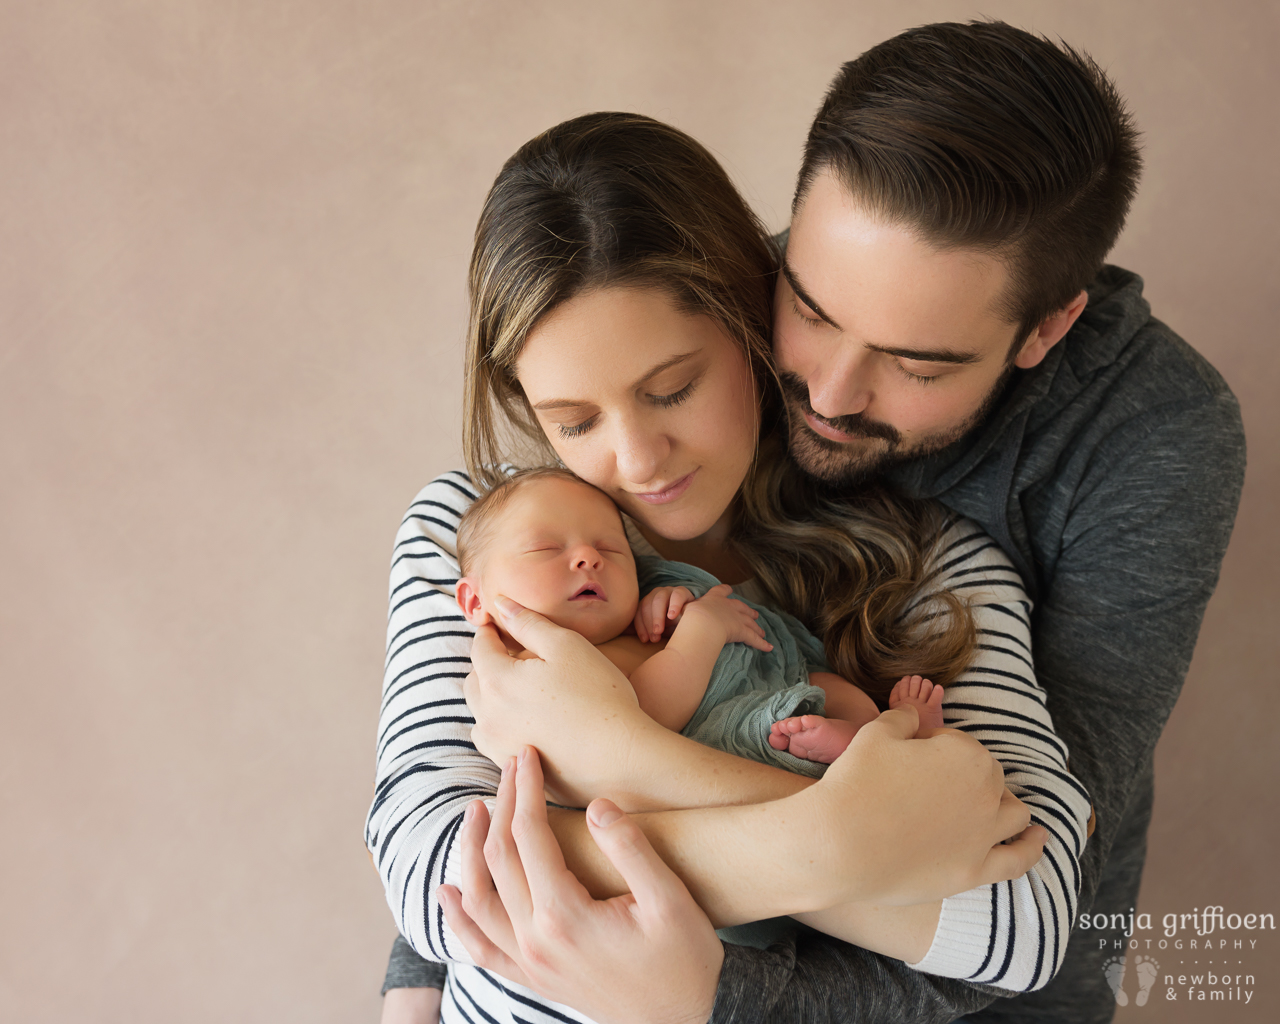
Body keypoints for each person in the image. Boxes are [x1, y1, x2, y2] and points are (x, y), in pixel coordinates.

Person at [433, 20, 1246, 1024]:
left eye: (916, 361)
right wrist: (416, 980)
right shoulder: (705, 312)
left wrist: (691, 973)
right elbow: (452, 836)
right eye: (809, 308)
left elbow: (1018, 869)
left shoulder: (1149, 438)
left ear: (1043, 330)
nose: (819, 390)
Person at [369, 108, 1090, 1023]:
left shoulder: (932, 569)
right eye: (574, 420)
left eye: (672, 389)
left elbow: (1026, 923)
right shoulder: (483, 539)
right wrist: (843, 841)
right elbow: (440, 875)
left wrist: (610, 749)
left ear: (757, 324)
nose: (637, 460)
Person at [453, 465, 944, 774]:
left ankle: (886, 730)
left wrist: (668, 604)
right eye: (545, 549)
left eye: (610, 548)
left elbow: (667, 635)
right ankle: (879, 747)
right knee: (787, 724)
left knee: (831, 688)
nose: (589, 557)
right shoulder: (527, 672)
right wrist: (701, 632)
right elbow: (641, 715)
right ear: (476, 603)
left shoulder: (630, 616)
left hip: (768, 680)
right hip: (729, 750)